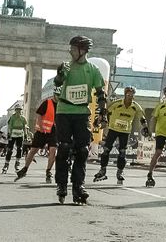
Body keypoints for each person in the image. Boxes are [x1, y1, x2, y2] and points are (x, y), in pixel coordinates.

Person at [54, 35, 107, 204]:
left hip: (81, 112)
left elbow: (100, 93)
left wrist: (102, 112)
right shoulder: (67, 66)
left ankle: (78, 186)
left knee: (83, 150)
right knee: (63, 147)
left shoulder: (93, 69)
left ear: (82, 51)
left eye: (73, 49)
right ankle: (62, 184)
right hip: (64, 110)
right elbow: (57, 82)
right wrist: (61, 73)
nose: (70, 51)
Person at [94, 86, 149, 184]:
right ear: (125, 95)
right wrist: (101, 120)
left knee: (122, 152)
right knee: (106, 150)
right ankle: (102, 170)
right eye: (128, 95)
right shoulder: (117, 104)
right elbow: (105, 111)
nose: (130, 97)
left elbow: (142, 118)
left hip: (125, 131)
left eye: (132, 95)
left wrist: (145, 127)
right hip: (113, 129)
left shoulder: (135, 106)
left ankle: (120, 172)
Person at [14, 86, 61, 183]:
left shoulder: (62, 105)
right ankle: (25, 169)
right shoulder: (47, 103)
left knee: (53, 151)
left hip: (53, 132)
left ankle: (48, 172)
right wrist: (41, 126)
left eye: (60, 95)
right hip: (42, 131)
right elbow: (39, 114)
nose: (59, 97)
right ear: (54, 95)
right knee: (33, 151)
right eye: (57, 95)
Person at [146, 86, 166, 187]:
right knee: (158, 152)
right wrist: (151, 131)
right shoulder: (160, 106)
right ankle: (150, 174)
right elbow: (153, 119)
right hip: (161, 133)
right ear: (165, 95)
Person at [2, 104, 27, 173]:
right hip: (13, 134)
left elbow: (24, 127)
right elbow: (10, 126)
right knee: (10, 150)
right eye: (17, 110)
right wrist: (9, 134)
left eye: (20, 110)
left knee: (20, 149)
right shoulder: (12, 117)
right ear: (15, 110)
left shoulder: (23, 118)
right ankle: (6, 164)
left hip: (20, 135)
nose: (19, 111)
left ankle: (17, 164)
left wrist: (26, 135)